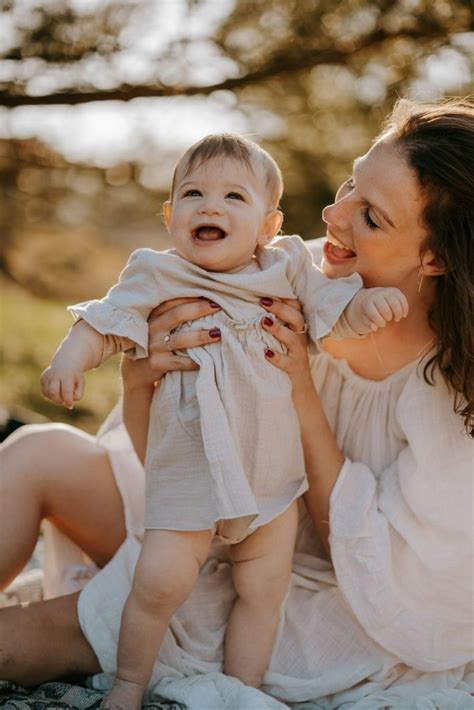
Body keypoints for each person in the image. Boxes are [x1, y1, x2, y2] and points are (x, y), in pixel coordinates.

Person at [0, 97, 472, 710]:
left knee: (19, 644)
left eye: (373, 217)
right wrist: (143, 376)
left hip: (306, 592)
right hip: (201, 507)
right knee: (37, 451)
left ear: (435, 256)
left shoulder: (453, 401)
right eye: (351, 183)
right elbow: (160, 458)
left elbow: (372, 571)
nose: (334, 212)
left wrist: (300, 388)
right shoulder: (282, 272)